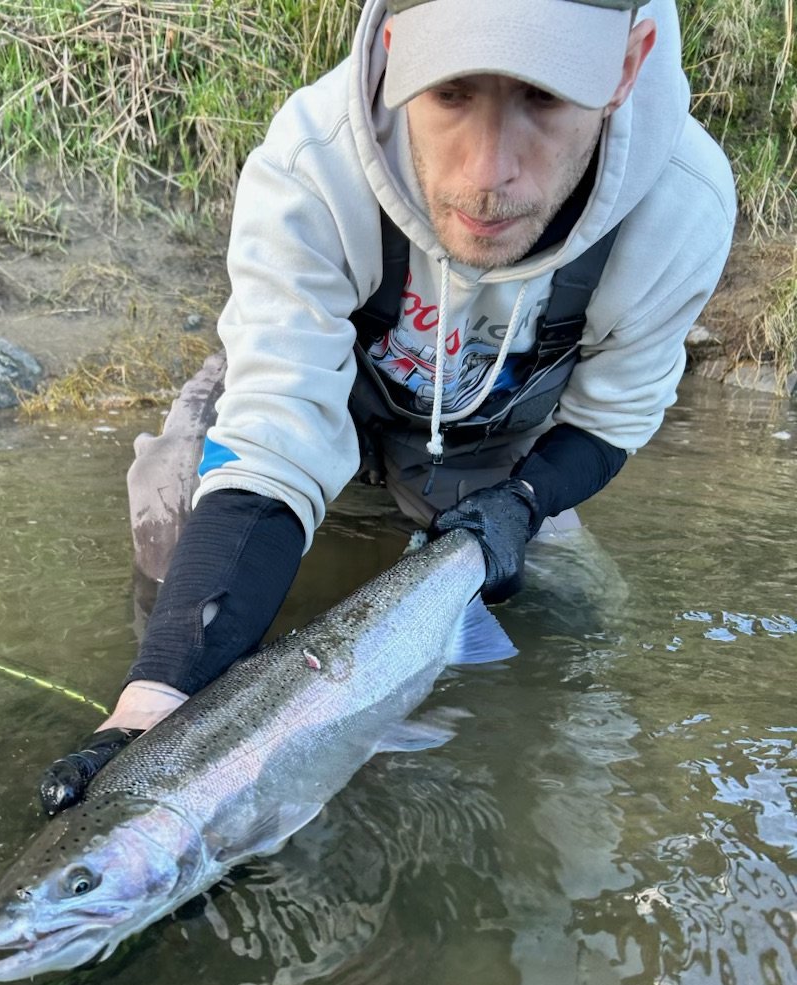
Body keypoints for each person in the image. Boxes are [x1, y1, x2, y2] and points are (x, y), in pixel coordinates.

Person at [39, 0, 735, 815]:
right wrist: (156, 702)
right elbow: (272, 438)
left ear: (626, 64)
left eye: (543, 99)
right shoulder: (311, 162)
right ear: (395, 50)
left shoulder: (681, 207)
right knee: (173, 552)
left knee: (583, 616)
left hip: (487, 448)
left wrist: (524, 502)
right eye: (450, 94)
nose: (487, 172)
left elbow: (611, 421)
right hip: (304, 391)